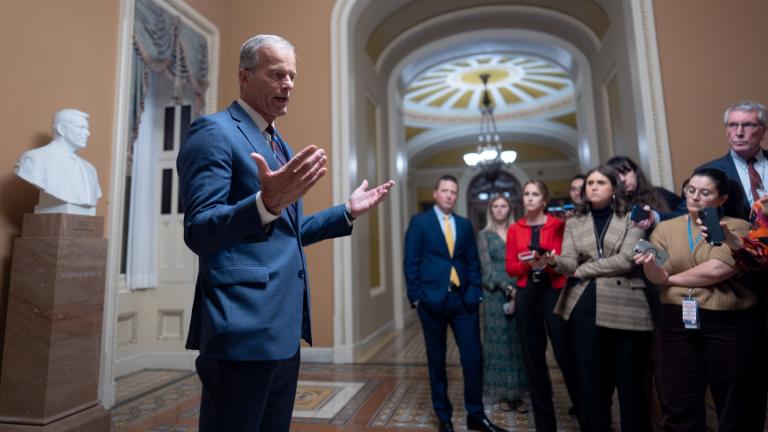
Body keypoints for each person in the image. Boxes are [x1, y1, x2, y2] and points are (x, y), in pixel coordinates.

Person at [176, 34, 394, 432]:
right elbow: (200, 230)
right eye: (277, 74)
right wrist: (264, 204)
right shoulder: (213, 132)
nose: (288, 84)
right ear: (245, 77)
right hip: (240, 330)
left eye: (292, 76)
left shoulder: (277, 142)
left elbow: (284, 232)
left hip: (282, 329)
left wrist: (344, 212)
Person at [635, 168, 766, 431]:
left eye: (705, 192)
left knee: (736, 403)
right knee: (678, 402)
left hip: (729, 323)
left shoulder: (738, 227)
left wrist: (669, 279)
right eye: (691, 190)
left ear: (721, 199)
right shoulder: (664, 228)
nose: (694, 197)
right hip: (676, 325)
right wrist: (650, 266)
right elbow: (657, 273)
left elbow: (718, 270)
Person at [547, 165, 652, 432]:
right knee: (591, 383)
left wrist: (586, 268)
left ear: (613, 188)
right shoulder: (574, 222)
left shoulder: (633, 217)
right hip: (583, 308)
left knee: (631, 383)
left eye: (599, 182)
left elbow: (628, 260)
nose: (592, 187)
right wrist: (552, 261)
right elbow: (570, 262)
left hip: (626, 306)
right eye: (589, 183)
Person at [403, 175, 507, 432]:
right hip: (431, 302)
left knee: (473, 357)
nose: (449, 195)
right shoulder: (419, 222)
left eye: (453, 192)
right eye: (445, 190)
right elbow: (411, 262)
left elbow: (472, 261)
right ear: (436, 193)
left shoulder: (463, 224)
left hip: (463, 302)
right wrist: (416, 298)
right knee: (436, 361)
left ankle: (476, 414)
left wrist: (476, 294)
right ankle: (444, 417)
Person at [505, 181, 580, 431]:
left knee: (564, 354)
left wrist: (547, 261)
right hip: (527, 295)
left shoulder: (558, 225)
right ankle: (545, 424)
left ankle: (584, 413)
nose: (529, 198)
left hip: (554, 291)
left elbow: (566, 259)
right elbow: (511, 268)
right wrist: (528, 263)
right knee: (533, 360)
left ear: (544, 200)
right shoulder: (515, 229)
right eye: (526, 194)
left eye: (535, 194)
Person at [667, 100, 767, 221]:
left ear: (764, 131)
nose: (739, 132)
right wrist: (654, 217)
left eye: (748, 125)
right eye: (733, 125)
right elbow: (687, 212)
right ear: (727, 131)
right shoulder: (707, 171)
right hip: (737, 238)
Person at [476, 195, 528, 414]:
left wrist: (518, 288)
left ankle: (518, 394)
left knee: (518, 343)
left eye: (503, 206)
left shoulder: (518, 232)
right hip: (495, 296)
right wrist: (508, 288)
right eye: (495, 206)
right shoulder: (483, 235)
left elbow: (524, 260)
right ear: (490, 210)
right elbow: (486, 269)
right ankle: (504, 394)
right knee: (498, 344)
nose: (499, 210)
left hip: (521, 291)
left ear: (509, 209)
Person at [15, 108, 102, 215]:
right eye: (81, 128)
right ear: (62, 129)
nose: (88, 133)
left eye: (87, 128)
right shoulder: (34, 159)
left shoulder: (90, 169)